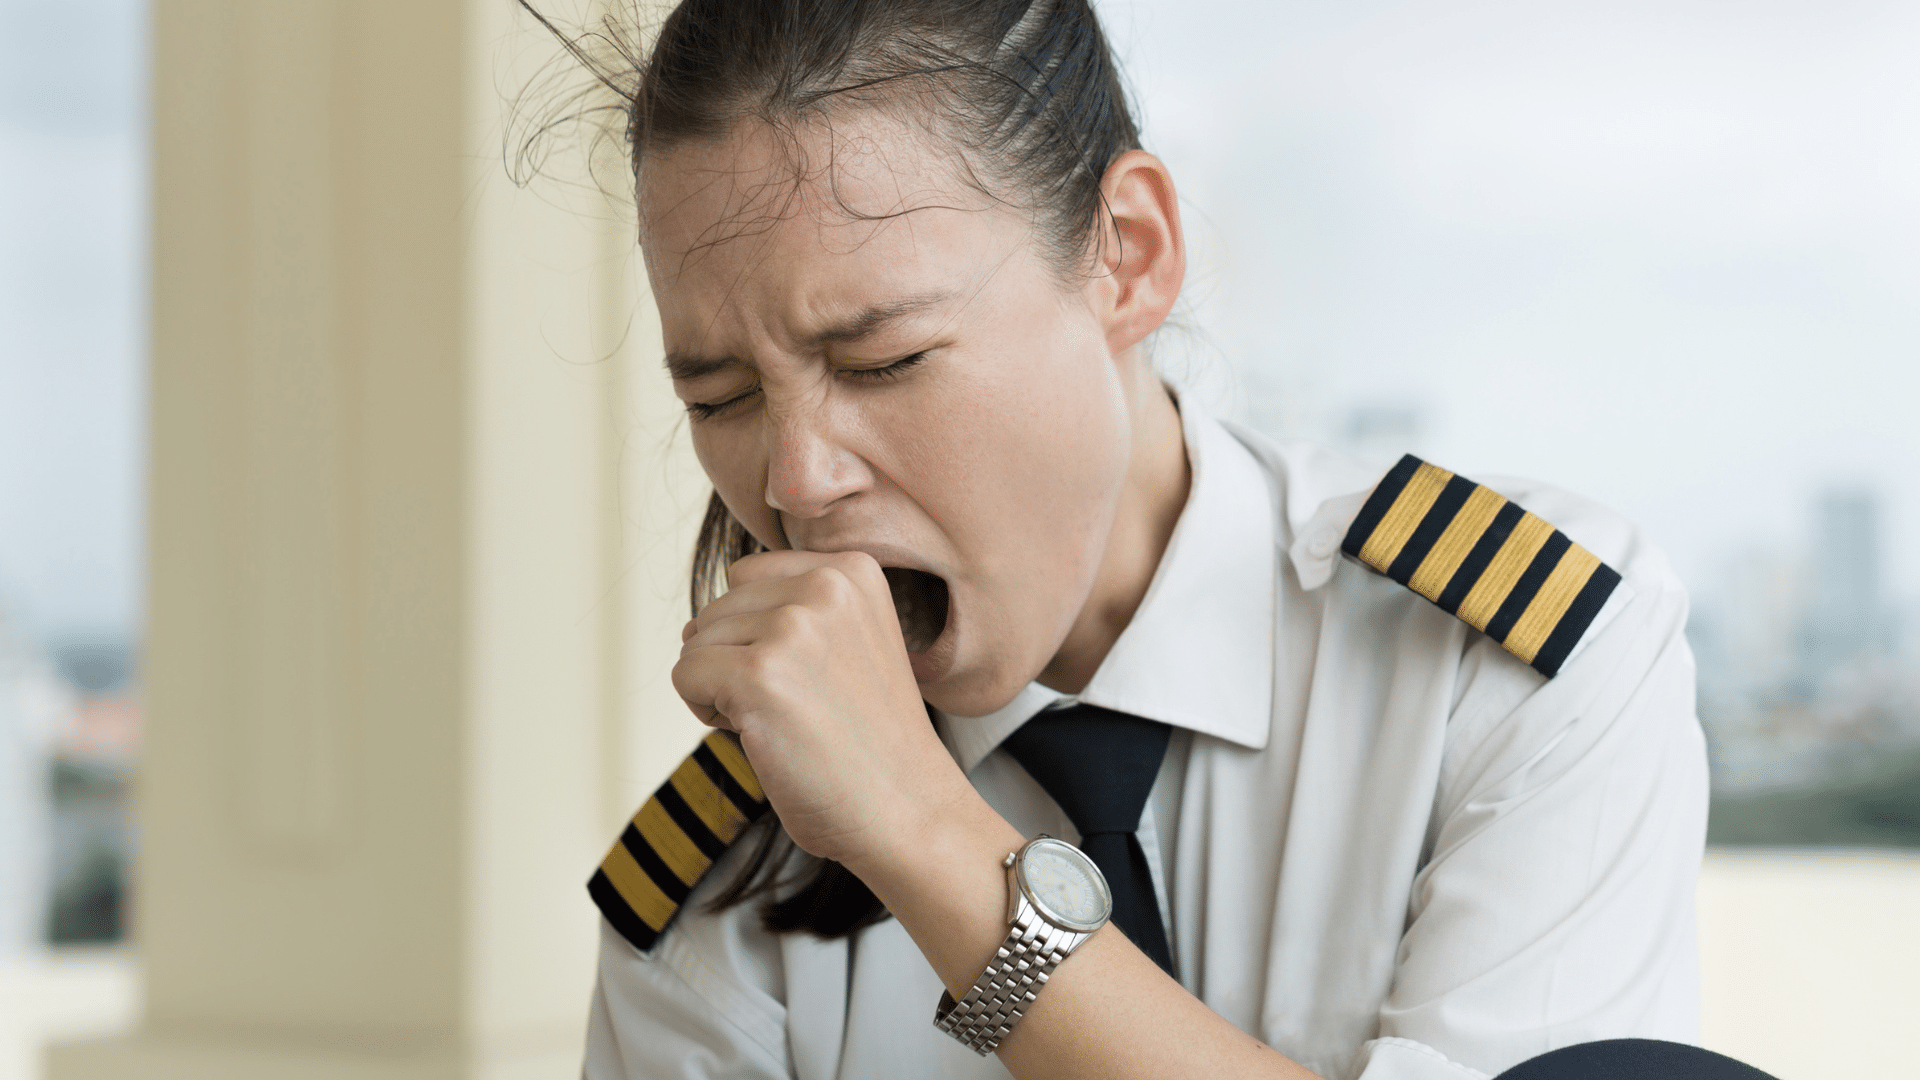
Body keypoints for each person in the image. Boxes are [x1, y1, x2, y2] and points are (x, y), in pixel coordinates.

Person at [532, 1, 1774, 1077]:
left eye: (884, 359)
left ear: (1129, 257)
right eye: (720, 398)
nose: (798, 480)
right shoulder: (718, 885)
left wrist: (926, 836)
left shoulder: (1512, 662)